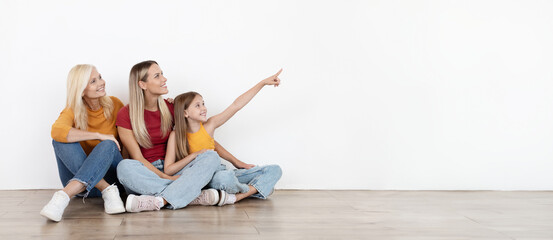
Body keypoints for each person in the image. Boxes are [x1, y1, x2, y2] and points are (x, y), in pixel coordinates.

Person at [116, 60, 236, 213]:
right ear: (142, 84)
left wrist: (235, 161)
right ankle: (191, 195)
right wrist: (168, 179)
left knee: (210, 156)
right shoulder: (125, 114)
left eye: (162, 74)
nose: (164, 79)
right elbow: (138, 158)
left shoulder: (171, 108)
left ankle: (160, 199)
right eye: (157, 76)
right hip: (147, 172)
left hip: (175, 169)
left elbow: (202, 136)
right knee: (124, 167)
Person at [166, 69, 283, 205]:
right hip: (209, 178)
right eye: (197, 105)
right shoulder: (176, 136)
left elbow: (236, 105)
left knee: (275, 170)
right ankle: (257, 189)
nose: (203, 108)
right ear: (185, 113)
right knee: (226, 179)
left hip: (220, 173)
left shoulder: (209, 125)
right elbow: (168, 169)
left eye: (203, 103)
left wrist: (262, 83)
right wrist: (195, 155)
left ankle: (237, 196)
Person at [41, 64, 126, 222]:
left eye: (100, 77)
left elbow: (129, 136)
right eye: (93, 81)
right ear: (81, 90)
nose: (101, 83)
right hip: (85, 187)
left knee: (108, 145)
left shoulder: (115, 104)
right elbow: (57, 131)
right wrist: (98, 135)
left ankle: (63, 196)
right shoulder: (73, 109)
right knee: (60, 140)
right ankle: (106, 189)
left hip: (113, 177)